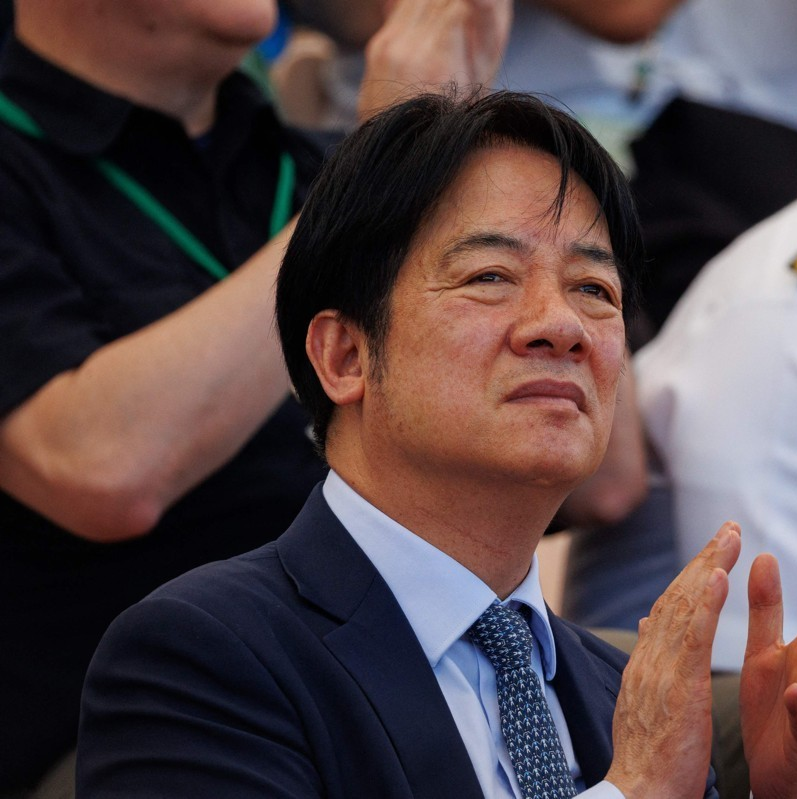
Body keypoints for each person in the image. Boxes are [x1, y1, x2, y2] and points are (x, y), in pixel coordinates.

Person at [76, 90, 797, 799]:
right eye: (490, 276)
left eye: (593, 289)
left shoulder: (621, 692)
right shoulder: (201, 656)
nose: (562, 326)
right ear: (344, 356)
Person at [0, 0, 511, 793]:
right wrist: (372, 179)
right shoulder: (344, 184)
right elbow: (98, 468)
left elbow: (606, 479)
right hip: (142, 720)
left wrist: (472, 157)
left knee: (720, 716)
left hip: (420, 671)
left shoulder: (302, 163)